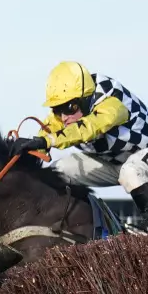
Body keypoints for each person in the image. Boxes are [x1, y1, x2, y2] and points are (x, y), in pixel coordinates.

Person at [11, 61, 148, 229]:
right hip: (116, 165)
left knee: (131, 172)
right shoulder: (66, 113)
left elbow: (89, 127)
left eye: (68, 108)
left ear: (84, 100)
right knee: (58, 171)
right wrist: (31, 150)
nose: (63, 118)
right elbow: (48, 131)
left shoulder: (112, 100)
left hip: (142, 158)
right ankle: (78, 227)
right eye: (57, 109)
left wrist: (49, 141)